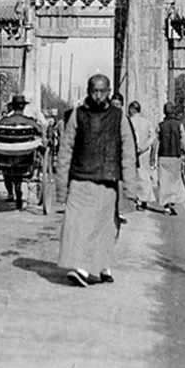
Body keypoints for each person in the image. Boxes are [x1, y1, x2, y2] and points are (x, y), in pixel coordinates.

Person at [57, 74, 138, 287]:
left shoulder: (118, 117)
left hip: (107, 179)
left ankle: (91, 268)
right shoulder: (77, 115)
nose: (98, 95)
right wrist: (61, 187)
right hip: (80, 178)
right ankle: (85, 266)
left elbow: (128, 153)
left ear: (109, 92)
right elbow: (66, 150)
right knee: (75, 224)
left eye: (102, 91)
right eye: (95, 91)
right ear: (88, 91)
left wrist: (130, 188)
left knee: (102, 226)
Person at [0, 94, 44, 209]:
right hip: (25, 157)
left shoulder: (3, 121)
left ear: (12, 107)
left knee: (8, 166)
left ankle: (12, 192)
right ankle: (18, 192)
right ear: (23, 107)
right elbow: (40, 132)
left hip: (5, 158)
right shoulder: (30, 122)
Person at [156, 102, 185, 215]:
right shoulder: (179, 125)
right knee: (175, 181)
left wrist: (152, 158)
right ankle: (172, 202)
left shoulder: (160, 125)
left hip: (163, 156)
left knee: (164, 181)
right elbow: (184, 142)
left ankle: (166, 206)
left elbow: (156, 143)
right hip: (175, 156)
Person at [127, 101, 156, 210]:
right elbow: (152, 137)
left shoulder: (129, 122)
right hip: (144, 153)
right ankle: (144, 199)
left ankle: (136, 199)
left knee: (133, 176)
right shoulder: (147, 122)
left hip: (131, 152)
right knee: (145, 176)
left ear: (132, 110)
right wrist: (144, 147)